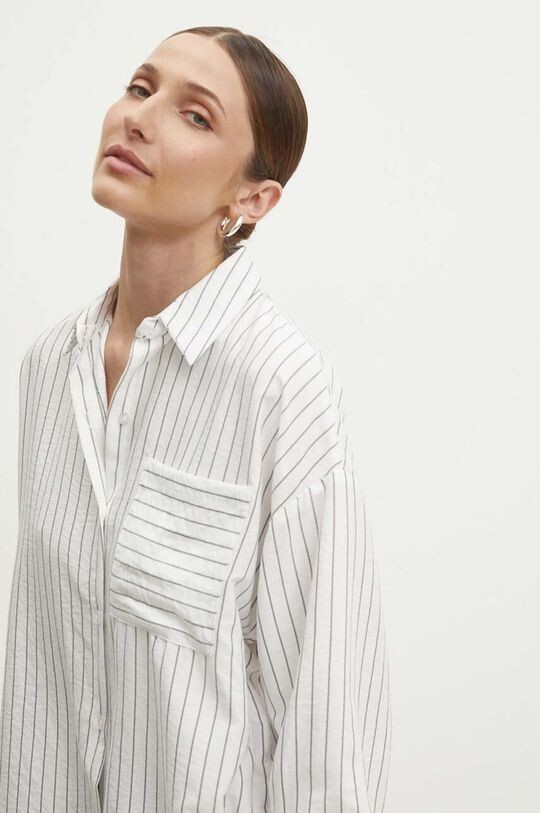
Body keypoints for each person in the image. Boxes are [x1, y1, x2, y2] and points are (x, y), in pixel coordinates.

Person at [0, 25, 391, 812]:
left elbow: (325, 717)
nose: (138, 118)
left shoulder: (280, 386)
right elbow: (38, 655)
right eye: (140, 88)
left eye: (196, 115)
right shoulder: (49, 368)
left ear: (252, 199)